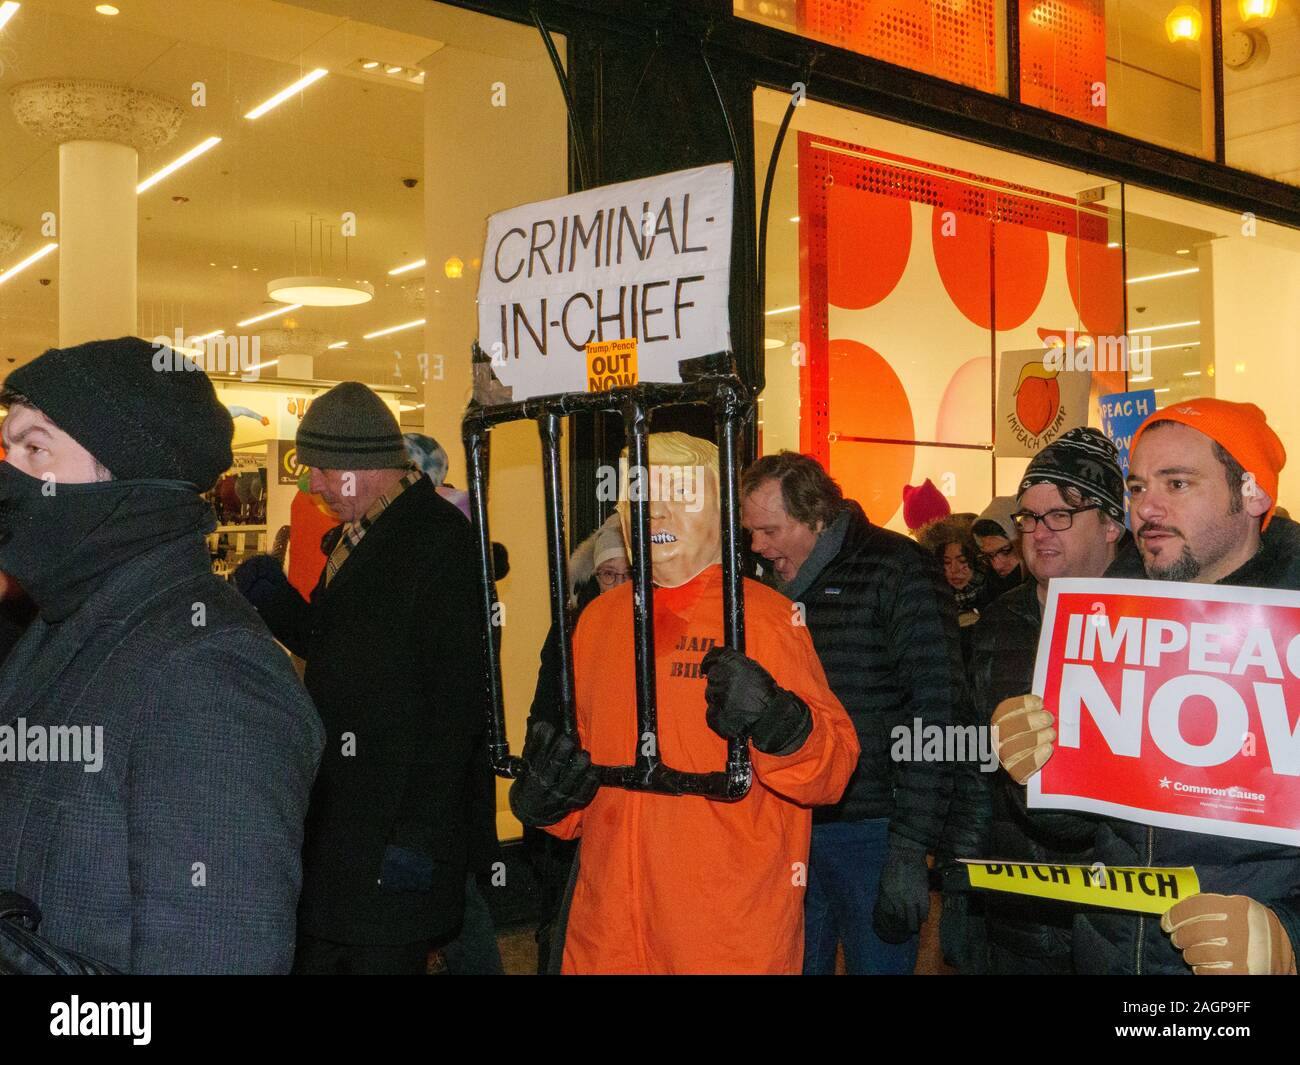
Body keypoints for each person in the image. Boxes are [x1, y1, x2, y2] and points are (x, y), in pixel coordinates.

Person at [0, 336, 323, 973]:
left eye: (35, 449)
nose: (10, 475)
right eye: (8, 447)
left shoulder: (211, 673)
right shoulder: (62, 624)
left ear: (128, 478)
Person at [510, 432, 859, 974]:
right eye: (639, 493)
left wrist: (782, 725)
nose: (655, 510)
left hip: (724, 935)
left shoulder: (762, 620)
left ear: (719, 508)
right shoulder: (599, 623)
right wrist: (549, 806)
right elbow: (583, 769)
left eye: (679, 491)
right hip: (607, 935)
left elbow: (833, 769)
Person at [993, 399, 1300, 975]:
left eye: (1177, 483)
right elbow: (1077, 827)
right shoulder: (1109, 619)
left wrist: (1290, 938)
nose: (1147, 508)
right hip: (1112, 956)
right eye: (1136, 488)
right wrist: (1038, 771)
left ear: (1253, 494)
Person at [234, 381, 495, 975]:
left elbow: (458, 704)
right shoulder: (359, 534)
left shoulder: (439, 540)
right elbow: (340, 649)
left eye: (322, 470)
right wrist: (277, 603)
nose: (313, 485)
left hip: (391, 835)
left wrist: (418, 836)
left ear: (364, 466)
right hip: (342, 826)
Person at [741, 450, 965, 975]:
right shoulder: (758, 587)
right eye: (751, 532)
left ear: (817, 515)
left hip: (872, 829)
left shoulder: (900, 569)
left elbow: (936, 712)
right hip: (783, 824)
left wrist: (910, 847)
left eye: (770, 530)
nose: (757, 546)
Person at [961, 427, 1127, 975]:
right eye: (1028, 517)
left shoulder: (1156, 620)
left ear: (1110, 524)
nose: (1038, 532)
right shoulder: (997, 621)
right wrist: (961, 886)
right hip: (1018, 914)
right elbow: (972, 763)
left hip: (1120, 919)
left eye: (1060, 514)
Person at [523, 511, 627, 973]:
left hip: (619, 796)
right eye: (608, 574)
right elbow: (544, 708)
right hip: (572, 785)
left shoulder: (649, 628)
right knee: (561, 917)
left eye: (627, 575)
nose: (617, 585)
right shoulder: (572, 626)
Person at [973, 495, 1024, 597]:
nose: (997, 565)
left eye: (1006, 551)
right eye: (989, 556)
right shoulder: (988, 591)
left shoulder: (1054, 585)